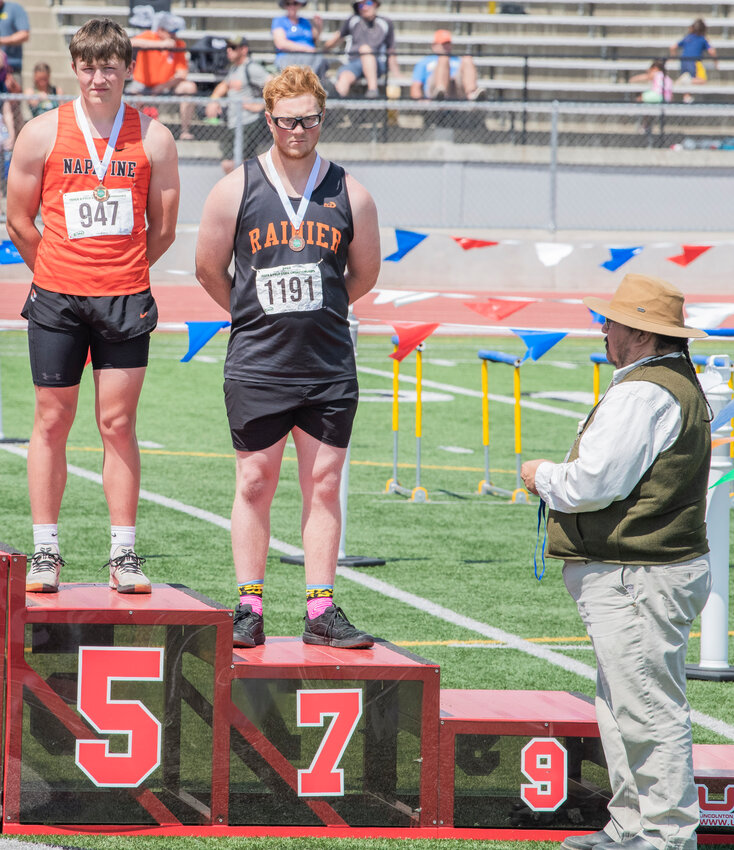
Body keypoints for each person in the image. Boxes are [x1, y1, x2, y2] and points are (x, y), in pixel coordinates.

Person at [520, 274, 712, 850]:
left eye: (612, 321)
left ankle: (665, 834)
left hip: (638, 573)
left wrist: (539, 477)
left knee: (646, 708)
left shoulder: (643, 391)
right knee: (626, 705)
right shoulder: (668, 382)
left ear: (640, 331)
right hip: (646, 570)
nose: (604, 329)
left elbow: (591, 484)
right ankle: (633, 825)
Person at [195, 65, 380, 649]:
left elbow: (364, 272)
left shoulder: (350, 191)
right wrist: (252, 311)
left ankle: (320, 610)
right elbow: (207, 268)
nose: (298, 129)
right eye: (286, 120)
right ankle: (249, 605)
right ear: (268, 120)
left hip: (327, 365)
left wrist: (321, 307)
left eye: (309, 119)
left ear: (322, 118)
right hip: (258, 362)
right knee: (254, 480)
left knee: (323, 484)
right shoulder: (236, 188)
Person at [6, 18, 180, 594]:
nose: (98, 77)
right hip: (56, 297)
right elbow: (19, 219)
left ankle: (123, 555)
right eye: (88, 65)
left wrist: (120, 270)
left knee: (118, 422)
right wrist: (56, 271)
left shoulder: (154, 138)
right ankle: (46, 551)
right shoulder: (40, 133)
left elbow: (165, 228)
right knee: (51, 420)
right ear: (74, 69)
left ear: (128, 69)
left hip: (126, 298)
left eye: (110, 66)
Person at [205, 35, 271, 174]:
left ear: (244, 50)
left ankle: (246, 193)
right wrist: (214, 100)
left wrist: (260, 106)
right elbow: (224, 85)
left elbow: (274, 85)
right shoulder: (234, 69)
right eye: (228, 47)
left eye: (233, 47)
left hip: (248, 121)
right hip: (234, 123)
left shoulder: (252, 68)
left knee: (241, 164)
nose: (229, 50)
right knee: (229, 164)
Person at [129, 12, 197, 140]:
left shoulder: (179, 44)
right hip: (142, 84)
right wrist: (160, 45)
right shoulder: (150, 36)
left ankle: (185, 131)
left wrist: (163, 86)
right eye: (171, 32)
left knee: (189, 87)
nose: (174, 36)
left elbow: (182, 73)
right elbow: (129, 42)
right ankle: (130, 131)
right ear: (160, 30)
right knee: (129, 95)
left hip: (166, 85)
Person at [323, 0, 400, 99]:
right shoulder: (353, 20)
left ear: (375, 4)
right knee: (344, 78)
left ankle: (373, 90)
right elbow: (337, 38)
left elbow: (391, 50)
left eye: (368, 3)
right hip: (354, 62)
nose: (364, 7)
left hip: (377, 64)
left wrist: (397, 74)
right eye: (360, 5)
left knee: (365, 50)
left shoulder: (385, 22)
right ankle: (335, 106)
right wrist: (322, 49)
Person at [410, 29, 485, 102]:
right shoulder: (425, 62)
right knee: (443, 58)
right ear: (434, 45)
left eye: (448, 44)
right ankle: (440, 93)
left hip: (457, 91)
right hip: (433, 90)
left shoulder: (458, 60)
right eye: (443, 44)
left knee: (467, 59)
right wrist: (421, 102)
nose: (446, 47)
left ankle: (471, 94)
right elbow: (416, 86)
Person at [272, 0, 328, 79]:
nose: (292, 6)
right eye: (288, 3)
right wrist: (305, 49)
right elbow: (281, 43)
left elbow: (315, 40)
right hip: (289, 56)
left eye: (295, 3)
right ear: (284, 5)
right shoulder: (279, 21)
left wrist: (318, 26)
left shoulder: (305, 22)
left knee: (321, 60)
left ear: (299, 5)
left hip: (310, 57)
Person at [670, 18, 717, 85]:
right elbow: (712, 52)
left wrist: (672, 58)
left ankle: (686, 95)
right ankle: (687, 81)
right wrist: (716, 62)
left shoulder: (687, 37)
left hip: (683, 60)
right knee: (702, 80)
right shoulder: (702, 39)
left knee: (687, 79)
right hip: (694, 61)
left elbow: (672, 47)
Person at [0, 0, 29, 89]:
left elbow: (24, 34)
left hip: (12, 68)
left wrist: (1, 41)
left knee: (13, 100)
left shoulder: (14, 9)